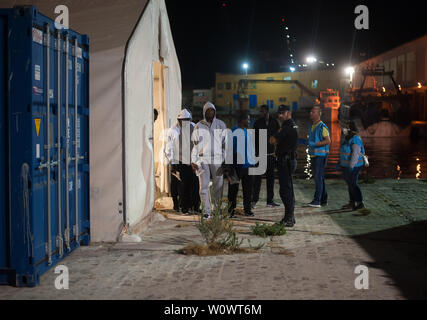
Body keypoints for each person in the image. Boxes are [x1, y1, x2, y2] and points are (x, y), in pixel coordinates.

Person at [191, 102, 228, 219]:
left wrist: (224, 159)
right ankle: (206, 211)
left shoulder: (221, 124)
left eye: (212, 111)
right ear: (204, 112)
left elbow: (225, 144)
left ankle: (216, 210)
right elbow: (194, 145)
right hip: (203, 159)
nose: (210, 113)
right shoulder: (198, 126)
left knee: (219, 185)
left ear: (215, 112)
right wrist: (194, 160)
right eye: (208, 111)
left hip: (217, 159)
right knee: (204, 186)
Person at [165, 109, 200, 214]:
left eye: (186, 120)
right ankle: (183, 207)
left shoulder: (193, 127)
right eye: (182, 120)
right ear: (179, 120)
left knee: (195, 184)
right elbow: (169, 148)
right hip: (179, 161)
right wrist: (172, 162)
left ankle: (195, 207)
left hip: (192, 161)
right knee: (182, 186)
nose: (184, 122)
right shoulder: (173, 130)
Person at [270, 105, 298, 227]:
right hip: (290, 160)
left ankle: (289, 218)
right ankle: (290, 216)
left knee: (285, 190)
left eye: (282, 113)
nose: (279, 116)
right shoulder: (293, 125)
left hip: (285, 162)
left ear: (288, 113)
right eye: (279, 113)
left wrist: (274, 136)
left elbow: (272, 140)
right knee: (289, 189)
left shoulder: (286, 127)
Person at [252, 104, 281, 208]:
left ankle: (270, 201)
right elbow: (253, 139)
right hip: (260, 155)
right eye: (260, 111)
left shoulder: (275, 122)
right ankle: (254, 200)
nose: (260, 113)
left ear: (267, 111)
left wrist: (277, 152)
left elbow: (278, 137)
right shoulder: (257, 123)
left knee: (271, 179)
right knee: (257, 180)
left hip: (271, 155)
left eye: (262, 111)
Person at [228, 111, 256, 218]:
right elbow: (229, 149)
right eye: (247, 119)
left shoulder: (246, 132)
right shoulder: (233, 131)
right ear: (242, 120)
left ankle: (247, 210)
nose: (249, 121)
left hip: (248, 165)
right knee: (233, 190)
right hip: (236, 166)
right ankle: (230, 211)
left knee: (248, 189)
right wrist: (230, 166)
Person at [337, 121, 366, 210]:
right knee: (350, 184)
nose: (344, 129)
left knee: (353, 183)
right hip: (346, 166)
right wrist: (339, 163)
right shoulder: (347, 138)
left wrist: (351, 166)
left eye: (347, 127)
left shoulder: (355, 139)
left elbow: (355, 154)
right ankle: (352, 203)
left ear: (351, 129)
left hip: (355, 166)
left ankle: (360, 203)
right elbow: (344, 152)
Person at [307, 106, 331, 208]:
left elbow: (328, 141)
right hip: (314, 155)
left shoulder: (322, 127)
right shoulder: (311, 126)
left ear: (318, 114)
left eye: (313, 112)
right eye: (310, 111)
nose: (310, 113)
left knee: (318, 178)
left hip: (320, 156)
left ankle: (317, 201)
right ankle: (323, 199)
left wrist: (315, 144)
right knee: (320, 178)